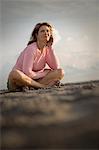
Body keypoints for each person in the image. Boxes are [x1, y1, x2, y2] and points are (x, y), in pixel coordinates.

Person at [7, 22, 64, 91]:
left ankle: (33, 87)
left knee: (60, 72)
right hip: (19, 80)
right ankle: (42, 86)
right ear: (36, 35)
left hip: (33, 81)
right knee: (14, 73)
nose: (46, 33)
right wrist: (44, 73)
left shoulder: (47, 49)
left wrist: (50, 47)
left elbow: (56, 67)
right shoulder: (31, 49)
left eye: (48, 31)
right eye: (42, 31)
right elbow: (27, 73)